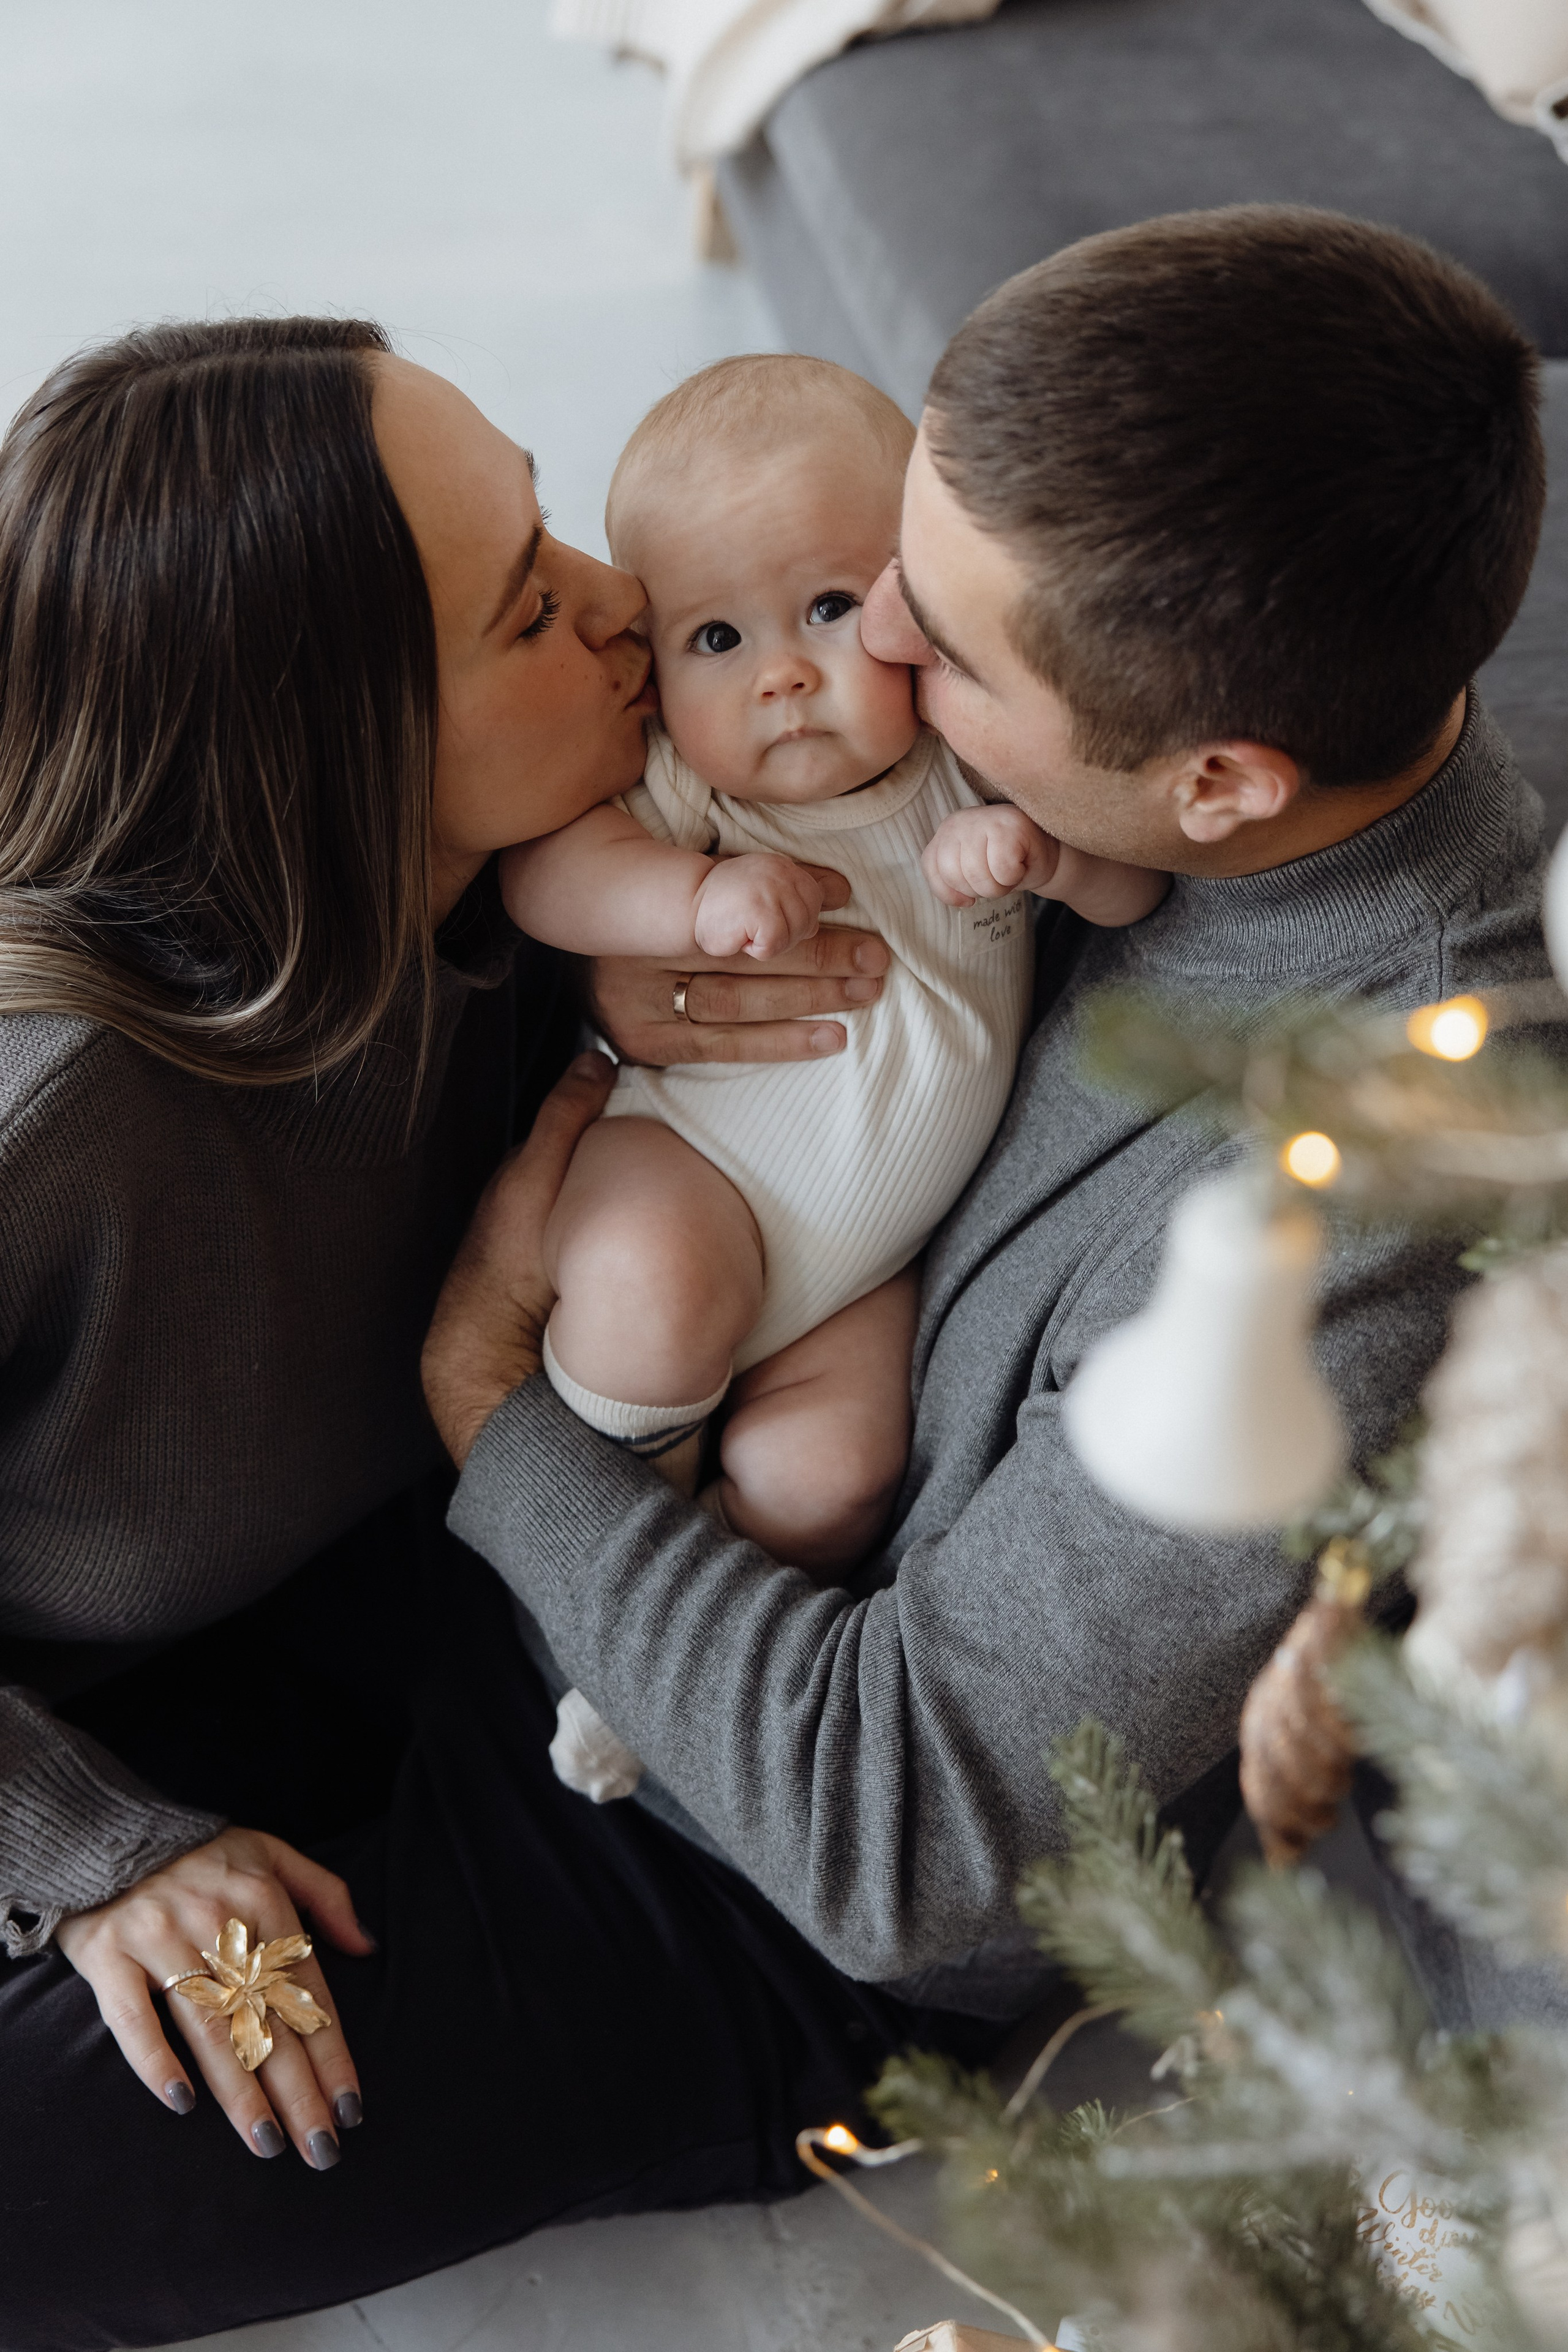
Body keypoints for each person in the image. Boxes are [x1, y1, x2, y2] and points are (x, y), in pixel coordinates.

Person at [0, 200, 1548, 2348]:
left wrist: (495, 1411)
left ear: (1214, 780)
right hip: (493, 1575)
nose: (843, 669)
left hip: (726, 1880)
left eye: (943, 649)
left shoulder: (1365, 1167)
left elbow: (907, 1834)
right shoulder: (1097, 775)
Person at [501, 354, 1159, 1803]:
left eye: (824, 612)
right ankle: (597, 1581)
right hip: (692, 1161)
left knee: (836, 1479)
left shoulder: (966, 765)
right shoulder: (696, 792)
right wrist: (679, 904)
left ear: (911, 601)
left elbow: (1126, 895)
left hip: (864, 1264)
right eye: (716, 637)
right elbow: (550, 872)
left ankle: (683, 1629)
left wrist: (1052, 858)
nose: (781, 676)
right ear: (656, 671)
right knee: (651, 1294)